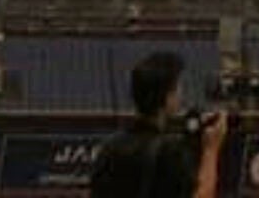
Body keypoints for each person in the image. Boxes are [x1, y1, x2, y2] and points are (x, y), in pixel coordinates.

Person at [90, 52, 226, 198]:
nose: (181, 94)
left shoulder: (108, 148)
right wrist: (211, 149)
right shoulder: (169, 151)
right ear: (167, 98)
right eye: (178, 88)